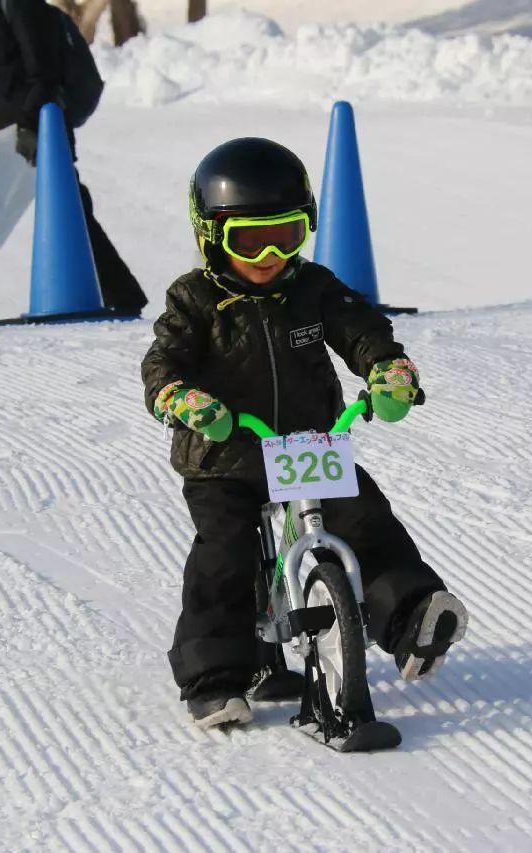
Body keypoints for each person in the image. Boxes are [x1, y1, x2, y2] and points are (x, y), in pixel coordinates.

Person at [140, 137, 468, 729]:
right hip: (225, 457)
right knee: (225, 556)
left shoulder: (311, 287)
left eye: (286, 234)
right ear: (211, 236)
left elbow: (363, 328)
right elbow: (162, 365)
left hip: (306, 446)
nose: (269, 253)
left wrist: (387, 372)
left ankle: (412, 618)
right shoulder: (193, 300)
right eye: (248, 239)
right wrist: (182, 400)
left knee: (363, 518)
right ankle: (215, 677)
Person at [0, 0, 148, 320]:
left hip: (30, 131)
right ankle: (124, 294)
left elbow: (44, 72)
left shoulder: (18, 6)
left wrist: (29, 127)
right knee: (74, 213)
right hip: (16, 130)